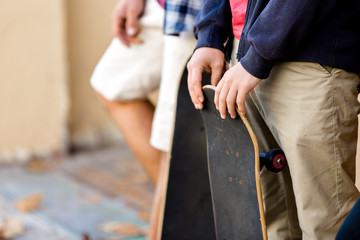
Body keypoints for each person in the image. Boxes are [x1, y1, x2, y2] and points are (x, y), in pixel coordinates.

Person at [187, 0, 360, 239]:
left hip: (309, 52)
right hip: (245, 52)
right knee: (272, 221)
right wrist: (210, 34)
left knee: (324, 223)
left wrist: (259, 52)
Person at [90, 0, 202, 238]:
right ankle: (193, 208)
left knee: (172, 137)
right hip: (168, 6)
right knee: (111, 83)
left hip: (203, 12)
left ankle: (169, 224)